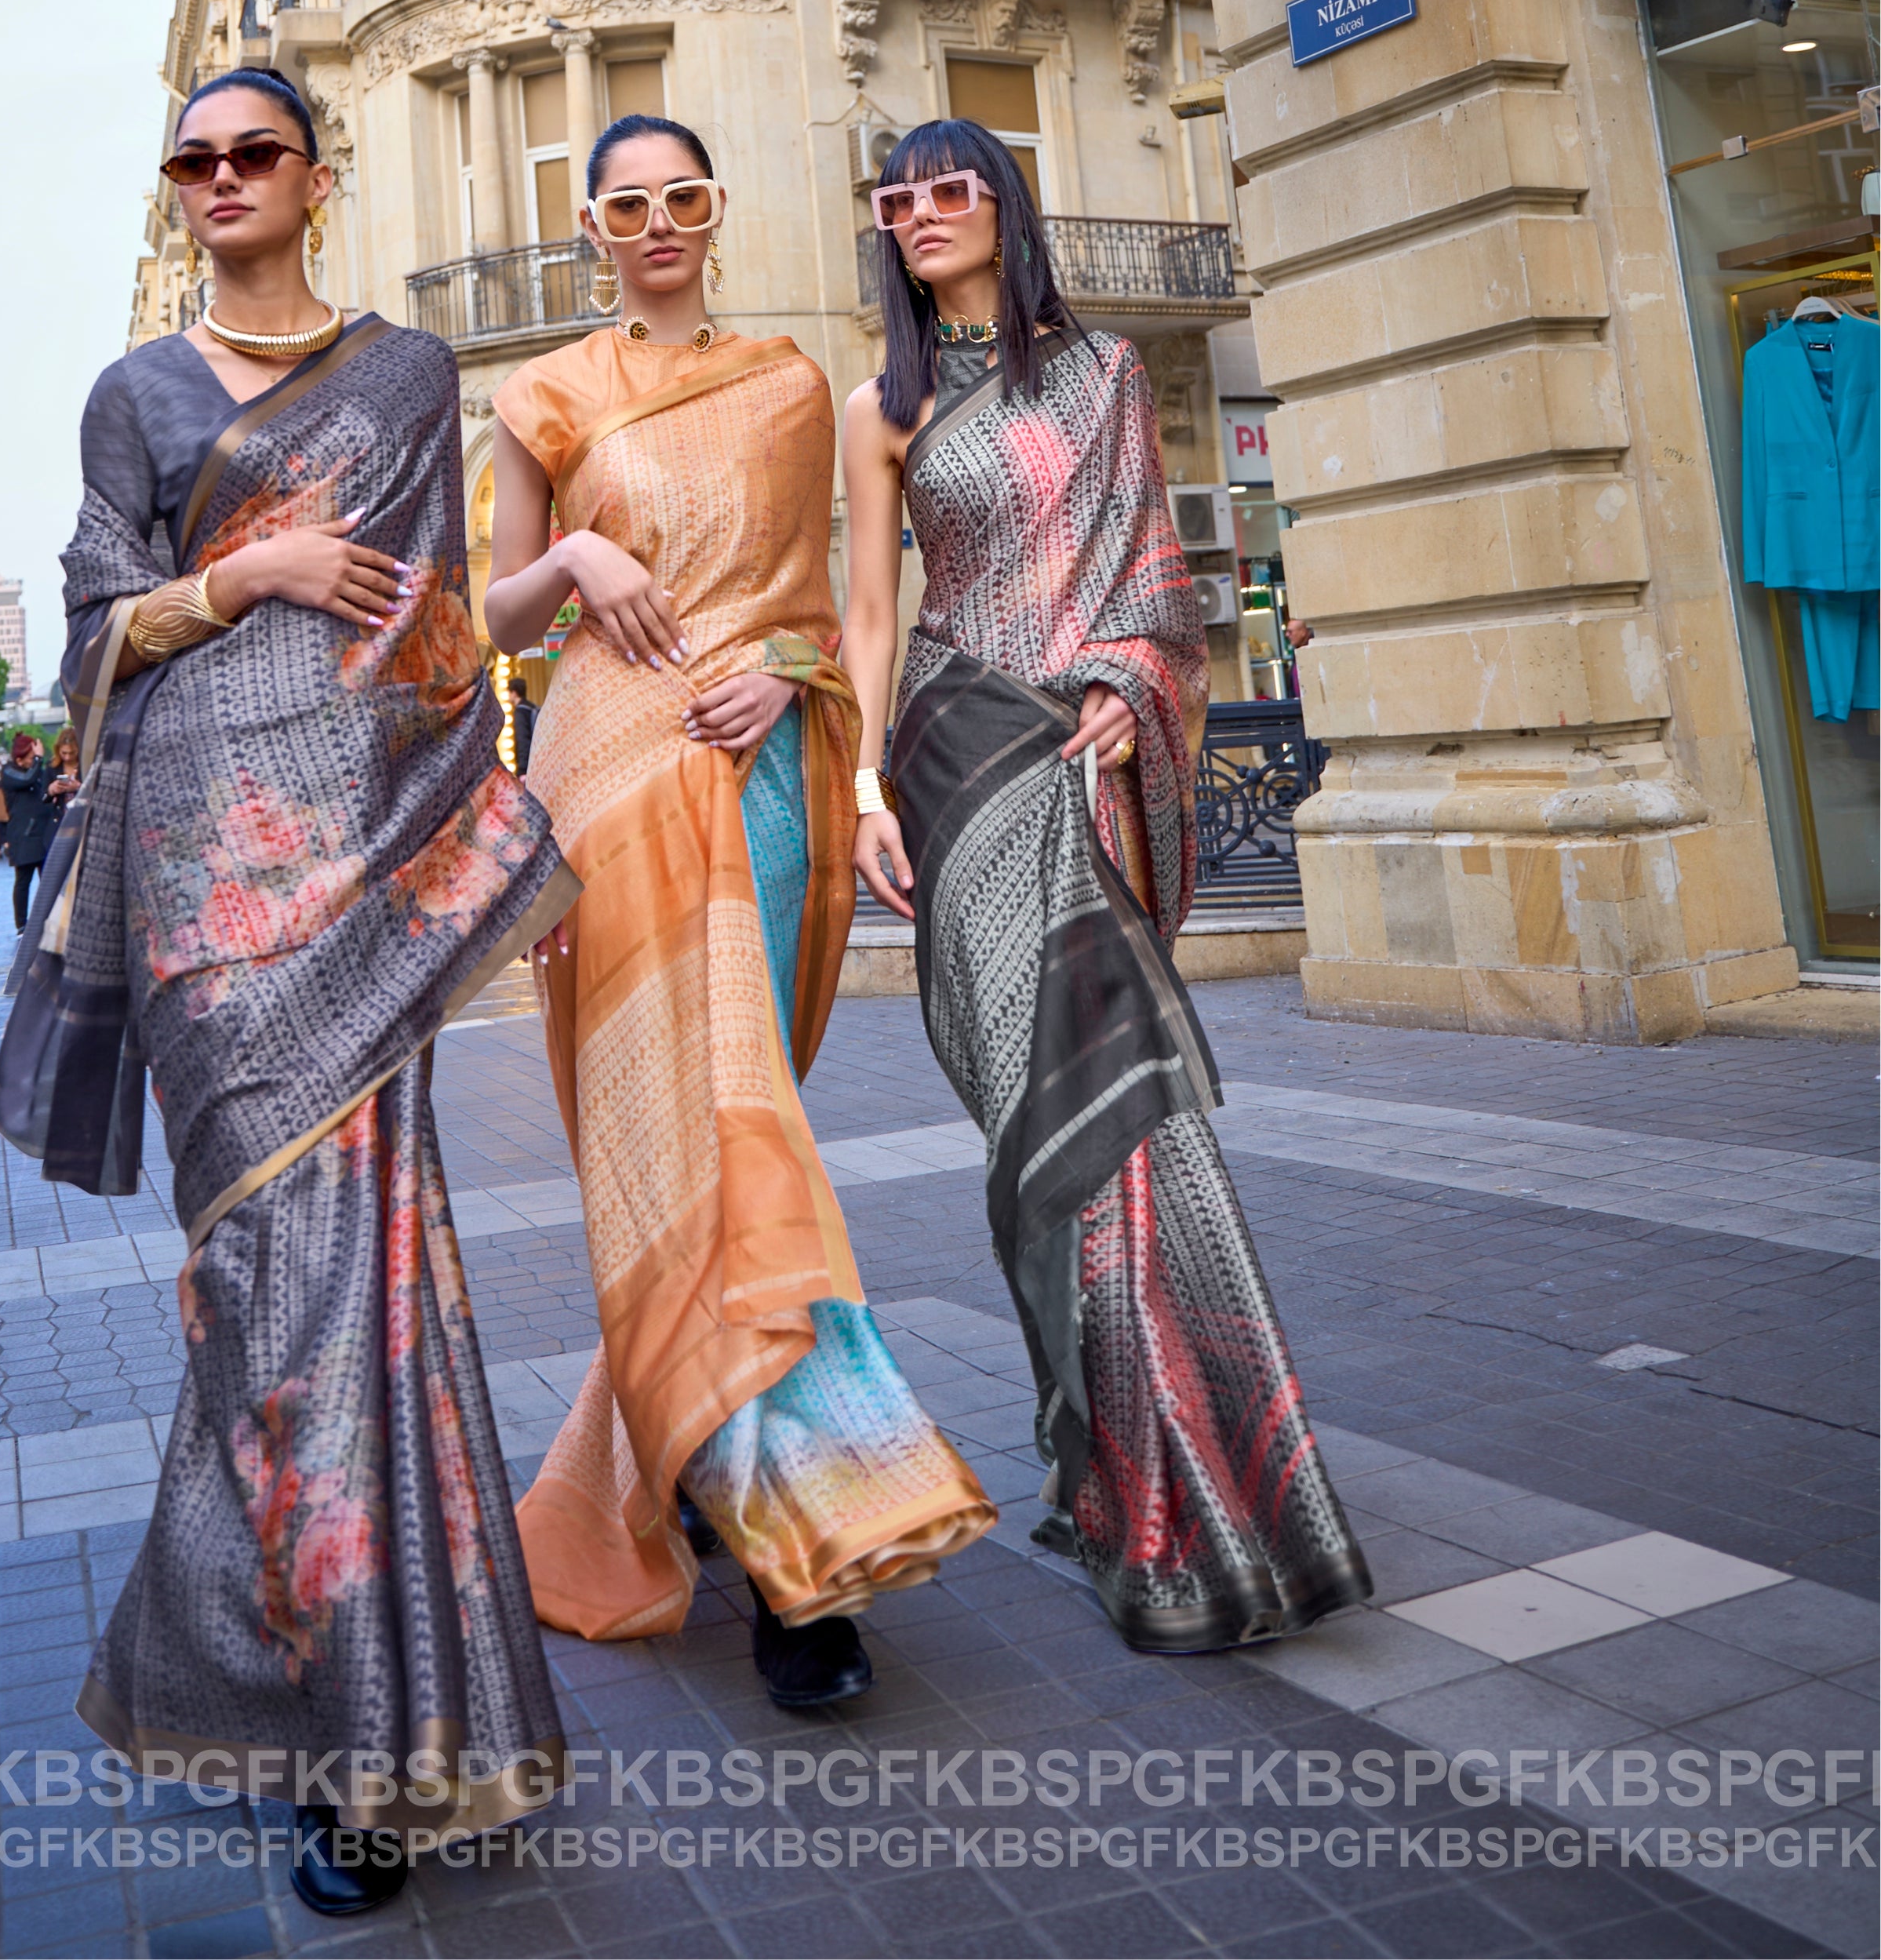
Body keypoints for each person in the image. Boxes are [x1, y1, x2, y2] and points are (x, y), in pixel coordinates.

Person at [0, 62, 570, 1922]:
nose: (223, 177)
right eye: (195, 159)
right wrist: (244, 570)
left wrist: (463, 855)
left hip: (354, 883)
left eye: (256, 153)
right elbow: (97, 624)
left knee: (355, 1294)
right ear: (179, 192)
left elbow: (436, 637)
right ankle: (347, 1708)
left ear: (314, 179)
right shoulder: (136, 394)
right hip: (192, 897)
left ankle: (365, 1733)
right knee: (264, 1284)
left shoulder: (404, 375)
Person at [841, 118, 1371, 1656]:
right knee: (1030, 1131)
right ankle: (1108, 1459)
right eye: (902, 199)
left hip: (1084, 761)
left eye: (956, 189)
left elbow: (1156, 584)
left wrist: (1122, 678)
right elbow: (870, 608)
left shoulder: (1110, 373)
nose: (928, 214)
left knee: (1117, 1129)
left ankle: (1167, 1489)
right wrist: (867, 780)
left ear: (1006, 205)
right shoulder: (880, 406)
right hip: (956, 760)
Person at [485, 113, 992, 1701]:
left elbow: (834, 611)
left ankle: (796, 1533)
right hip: (603, 790)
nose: (655, 225)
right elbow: (484, 607)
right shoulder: (545, 395)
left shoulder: (786, 384)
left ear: (717, 213)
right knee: (656, 1161)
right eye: (624, 205)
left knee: (740, 1138)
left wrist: (788, 684)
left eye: (682, 199)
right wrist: (573, 547)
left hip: (755, 787)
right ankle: (779, 1530)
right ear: (591, 228)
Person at [0, 731, 60, 934]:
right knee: (23, 879)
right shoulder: (9, 772)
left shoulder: (36, 772)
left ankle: (51, 916)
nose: (34, 762)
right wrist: (39, 760)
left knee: (48, 878)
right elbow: (26, 779)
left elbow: (43, 791)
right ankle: (22, 924)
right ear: (19, 759)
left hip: (42, 832)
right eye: (31, 758)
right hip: (23, 834)